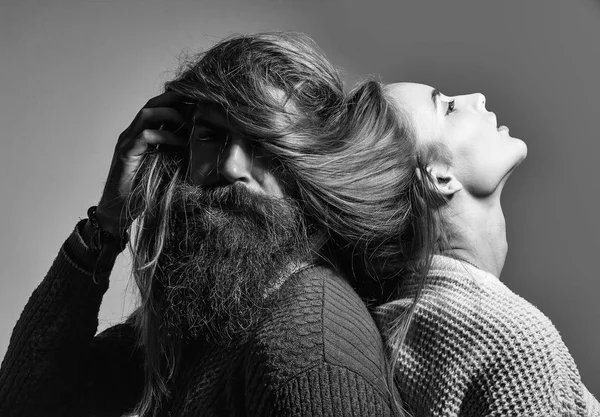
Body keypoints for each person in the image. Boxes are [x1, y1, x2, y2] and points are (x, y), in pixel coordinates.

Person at [0, 33, 400, 417]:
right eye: (211, 136)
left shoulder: (309, 342)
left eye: (264, 143)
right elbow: (25, 404)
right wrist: (108, 219)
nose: (229, 167)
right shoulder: (204, 322)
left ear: (309, 165)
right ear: (178, 151)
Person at [340, 80, 600, 416]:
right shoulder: (513, 344)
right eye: (447, 107)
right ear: (439, 178)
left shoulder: (414, 325)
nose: (477, 98)